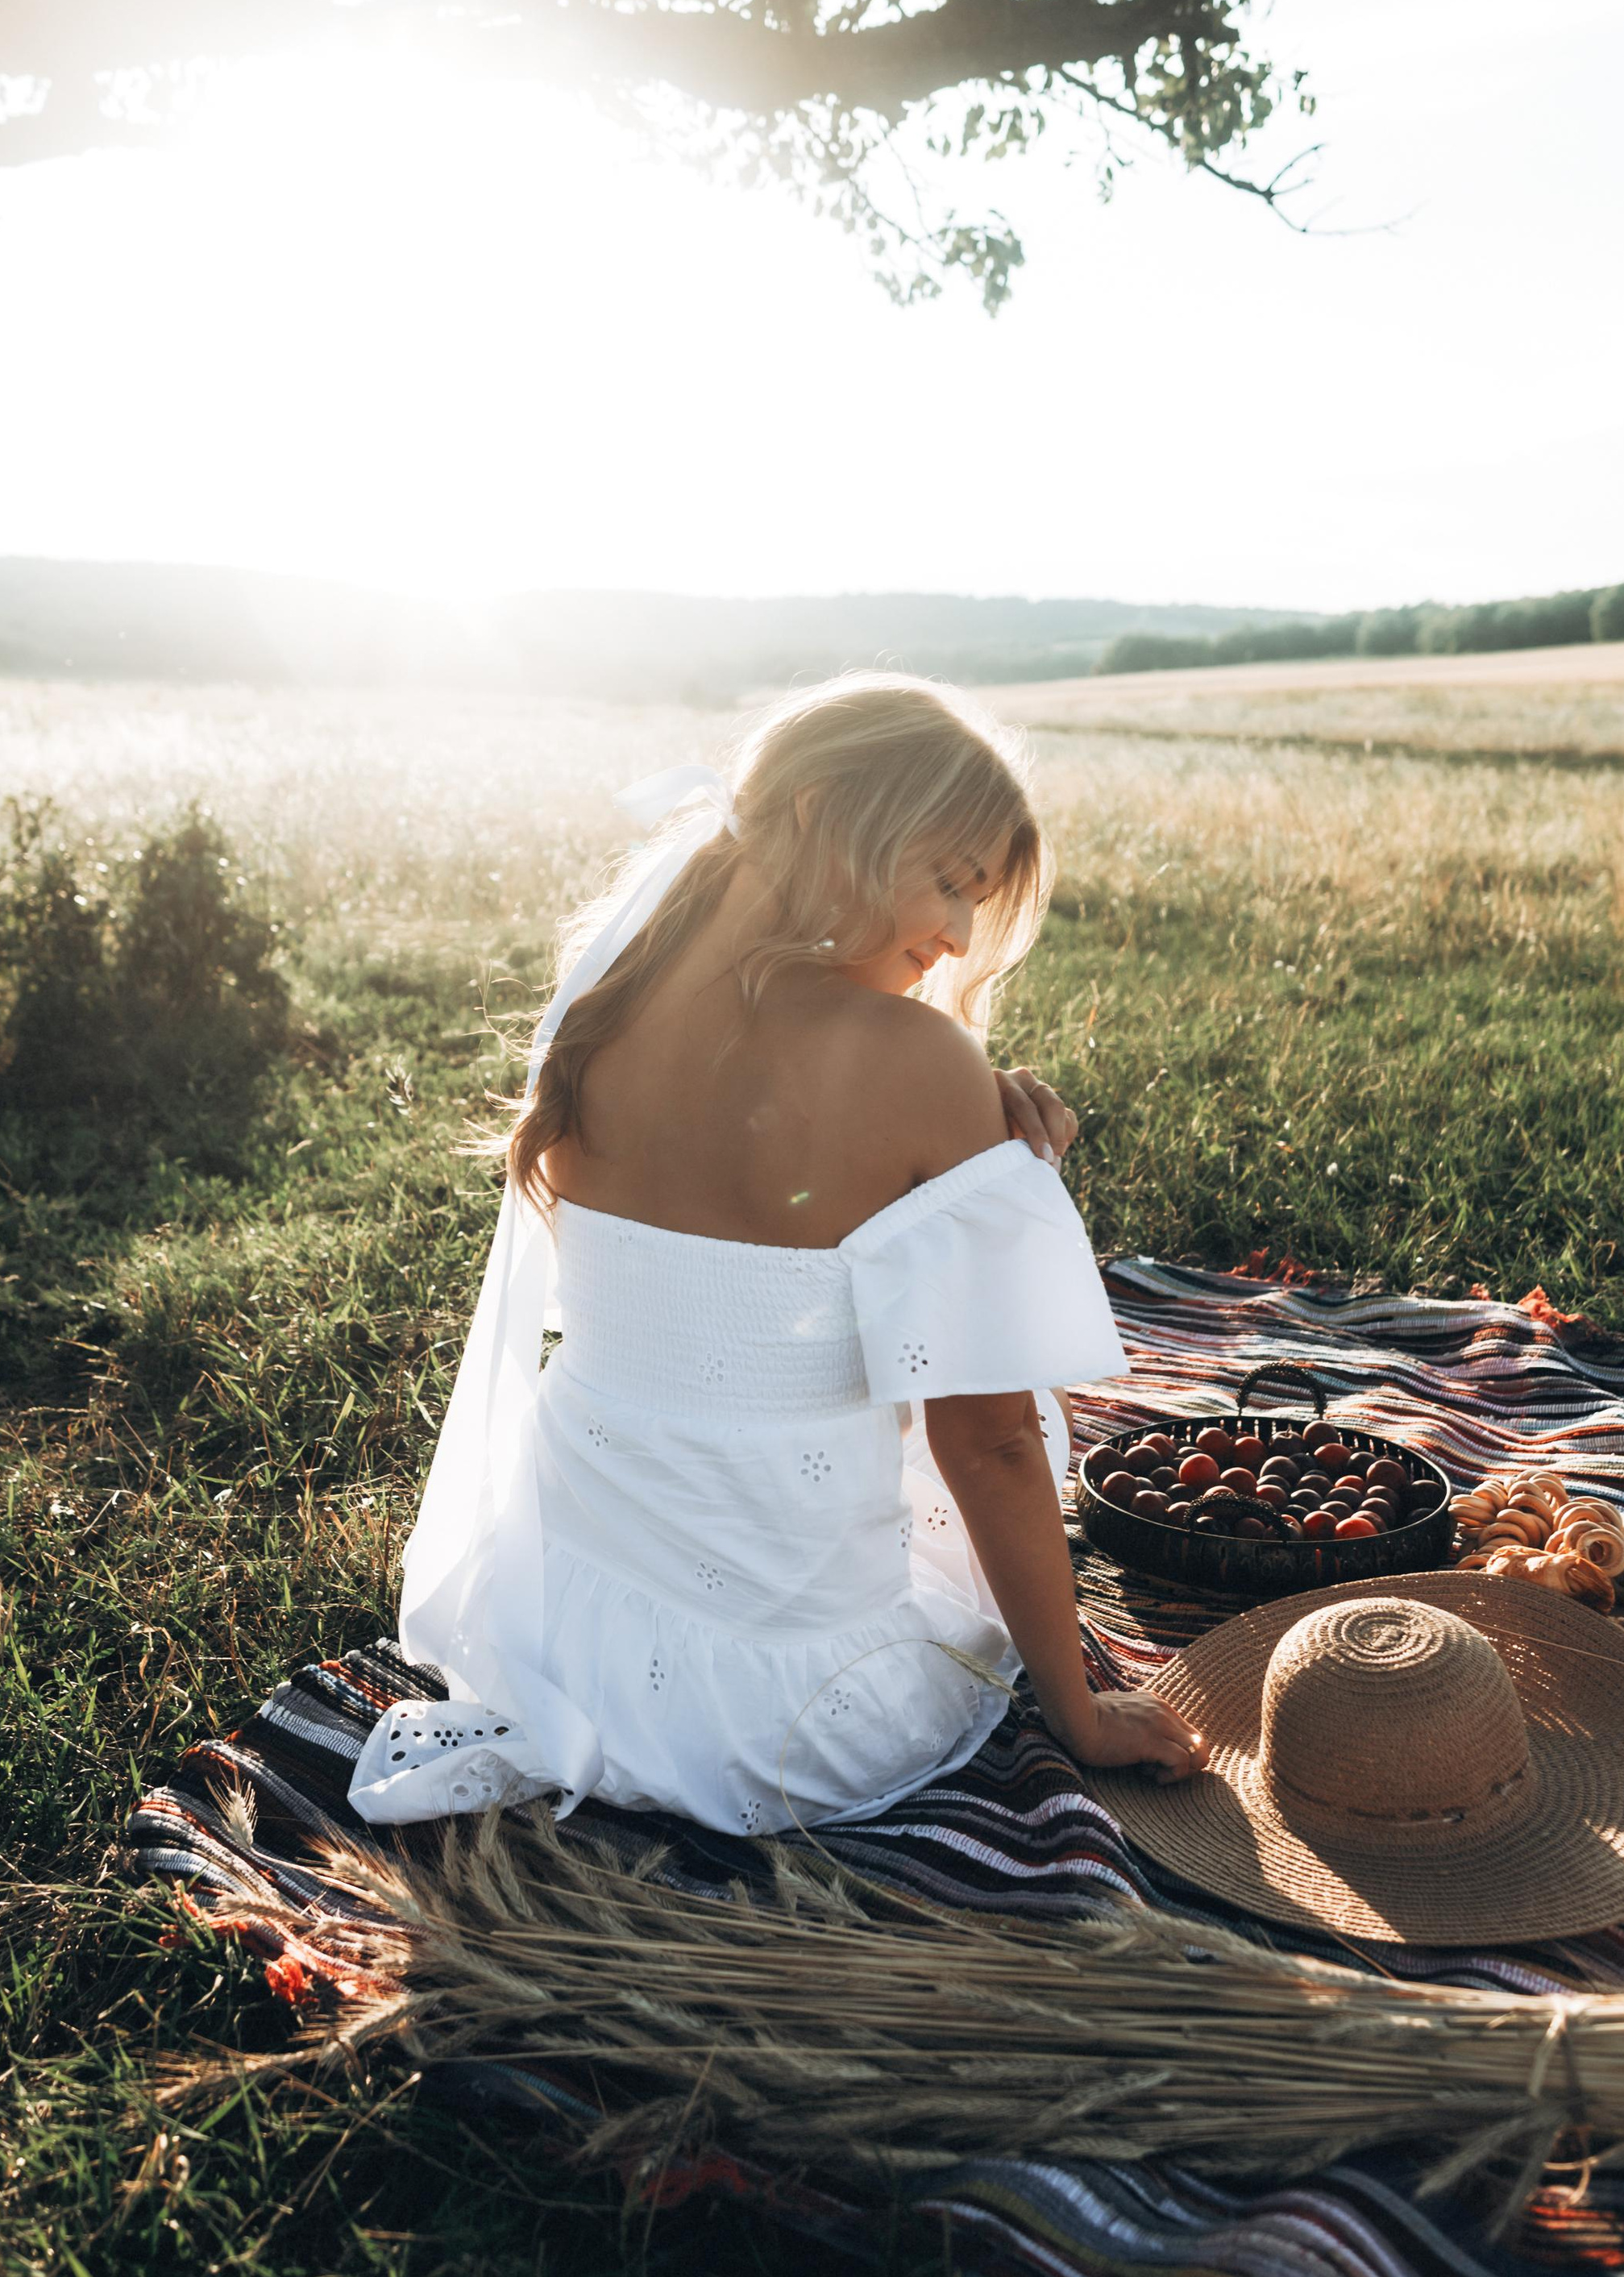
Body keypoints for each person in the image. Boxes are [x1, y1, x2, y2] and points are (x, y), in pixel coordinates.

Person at [348, 675, 1207, 1837]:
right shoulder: (918, 1061)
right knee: (1026, 1432)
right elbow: (989, 1439)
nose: (958, 937)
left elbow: (731, 1200)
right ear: (819, 821)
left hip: (559, 1637)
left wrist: (959, 1121)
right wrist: (1081, 1710)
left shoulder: (602, 998)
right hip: (795, 1722)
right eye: (950, 881)